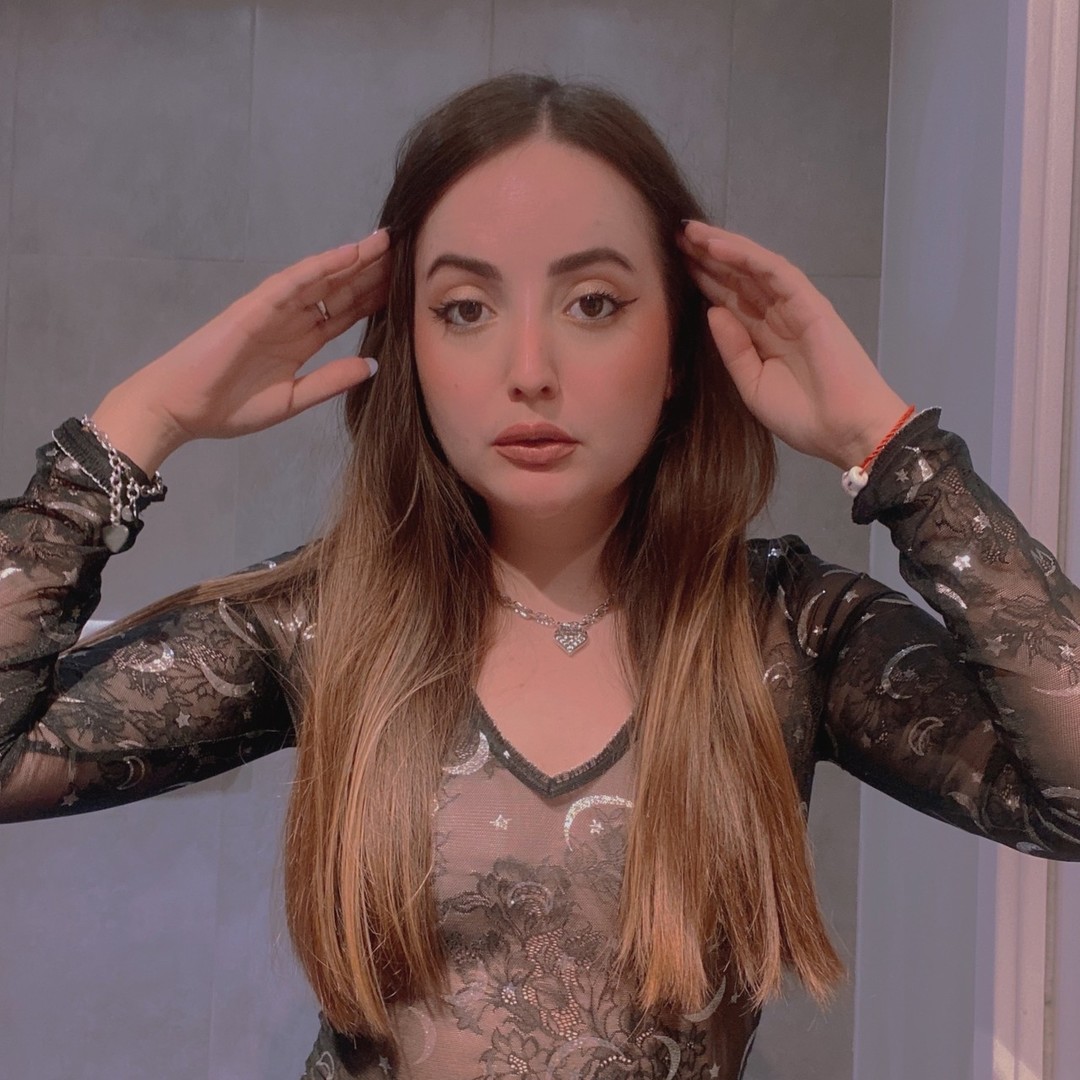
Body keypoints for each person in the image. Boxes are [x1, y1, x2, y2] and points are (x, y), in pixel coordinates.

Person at [1, 72, 1078, 1079]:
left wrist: (893, 449)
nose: (529, 371)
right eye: (465, 309)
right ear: (412, 349)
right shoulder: (321, 621)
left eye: (594, 303)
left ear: (679, 348)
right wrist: (138, 426)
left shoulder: (785, 629)